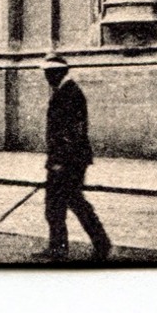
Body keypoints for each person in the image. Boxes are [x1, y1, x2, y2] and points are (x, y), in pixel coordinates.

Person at [38, 54, 112, 262]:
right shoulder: (63, 91)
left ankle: (100, 244)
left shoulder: (70, 93)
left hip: (69, 161)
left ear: (57, 73)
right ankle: (59, 248)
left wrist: (60, 161)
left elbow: (74, 131)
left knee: (71, 202)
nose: (46, 77)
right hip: (63, 160)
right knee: (58, 204)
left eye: (48, 73)